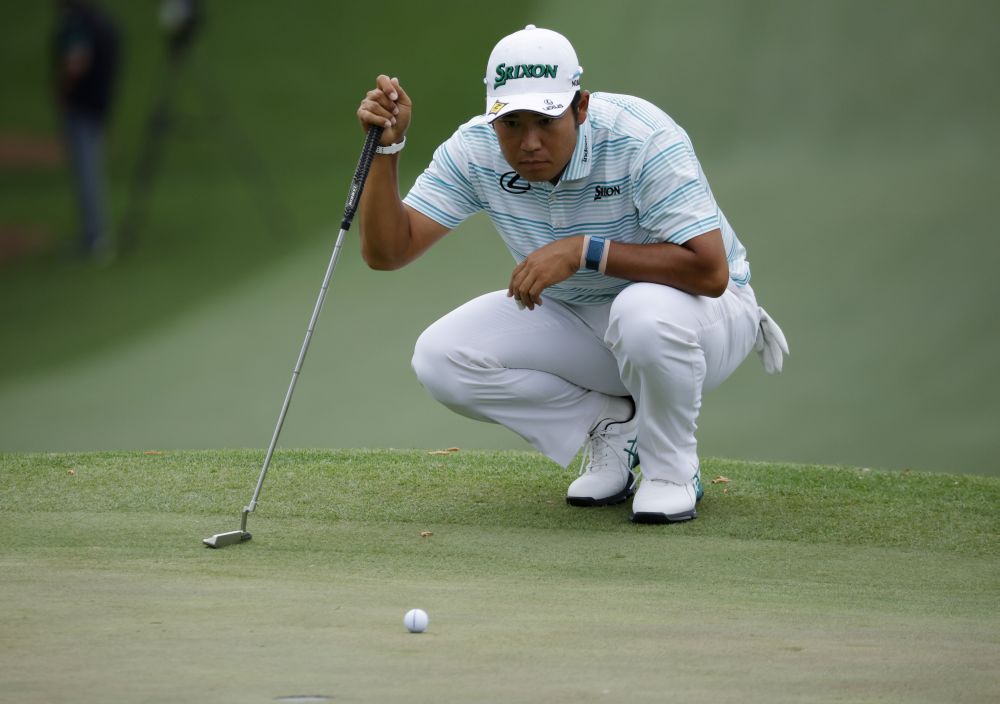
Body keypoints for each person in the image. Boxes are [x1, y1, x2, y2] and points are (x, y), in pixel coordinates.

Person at [355, 25, 788, 523]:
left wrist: (586, 252)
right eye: (511, 123)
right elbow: (388, 252)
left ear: (579, 107)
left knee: (640, 311)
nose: (529, 143)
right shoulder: (474, 149)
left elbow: (710, 271)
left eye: (546, 119)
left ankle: (671, 470)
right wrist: (387, 151)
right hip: (586, 317)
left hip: (704, 314)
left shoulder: (640, 137)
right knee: (441, 357)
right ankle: (612, 426)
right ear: (492, 115)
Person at [52, 0, 120, 258]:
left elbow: (75, 61)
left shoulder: (77, 23)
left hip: (82, 106)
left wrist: (62, 92)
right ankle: (95, 235)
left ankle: (95, 238)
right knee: (91, 170)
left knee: (87, 172)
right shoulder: (102, 19)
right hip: (99, 104)